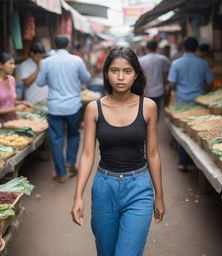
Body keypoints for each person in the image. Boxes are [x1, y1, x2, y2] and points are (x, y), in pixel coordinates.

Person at [71, 46, 165, 256]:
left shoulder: (148, 106)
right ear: (106, 73)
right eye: (114, 70)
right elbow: (87, 154)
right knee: (106, 251)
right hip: (105, 188)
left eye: (127, 71)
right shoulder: (94, 109)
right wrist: (78, 196)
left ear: (136, 74)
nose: (120, 77)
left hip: (139, 188)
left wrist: (159, 195)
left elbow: (153, 154)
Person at [36, 35, 91, 183]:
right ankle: (70, 163)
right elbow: (86, 79)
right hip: (73, 106)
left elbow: (40, 82)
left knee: (56, 140)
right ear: (68, 45)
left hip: (55, 107)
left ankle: (61, 173)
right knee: (73, 135)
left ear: (54, 44)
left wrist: (51, 78)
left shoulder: (46, 62)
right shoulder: (77, 60)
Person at [168, 37, 213, 172]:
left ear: (183, 48)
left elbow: (171, 83)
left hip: (182, 101)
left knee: (183, 131)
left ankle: (182, 162)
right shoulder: (203, 63)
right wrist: (204, 90)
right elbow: (210, 83)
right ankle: (199, 164)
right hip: (198, 101)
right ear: (196, 48)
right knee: (199, 129)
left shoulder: (176, 63)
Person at [139, 40, 170, 118]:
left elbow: (140, 76)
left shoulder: (141, 60)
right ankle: (154, 127)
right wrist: (166, 88)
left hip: (145, 90)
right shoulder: (163, 59)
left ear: (146, 48)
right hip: (158, 91)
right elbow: (165, 76)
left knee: (146, 112)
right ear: (157, 48)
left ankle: (148, 127)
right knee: (156, 112)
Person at [0, 53, 31, 123]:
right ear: (1, 65)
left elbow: (8, 101)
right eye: (10, 63)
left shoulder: (11, 79)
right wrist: (14, 109)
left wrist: (21, 102)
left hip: (12, 122)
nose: (13, 66)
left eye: (14, 64)